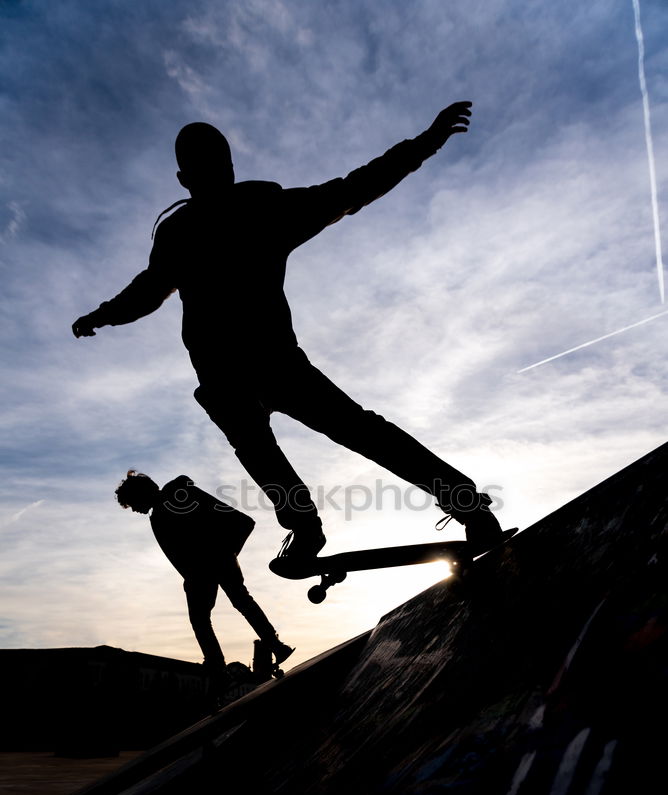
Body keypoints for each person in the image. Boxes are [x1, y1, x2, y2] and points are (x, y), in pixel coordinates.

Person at [76, 102, 504, 562]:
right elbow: (352, 189)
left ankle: (324, 524)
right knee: (332, 435)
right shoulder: (237, 215)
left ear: (195, 177)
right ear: (212, 172)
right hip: (250, 368)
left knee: (314, 438)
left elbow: (352, 189)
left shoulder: (236, 215)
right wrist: (102, 314)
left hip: (249, 365)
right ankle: (437, 508)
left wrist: (426, 142)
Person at [115, 471, 294, 685]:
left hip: (206, 567)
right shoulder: (168, 504)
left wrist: (221, 555)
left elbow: (236, 520)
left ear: (141, 495)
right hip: (214, 563)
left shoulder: (176, 498)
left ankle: (218, 668)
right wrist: (225, 556)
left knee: (203, 618)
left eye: (133, 503)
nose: (134, 510)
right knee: (241, 601)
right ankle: (274, 645)